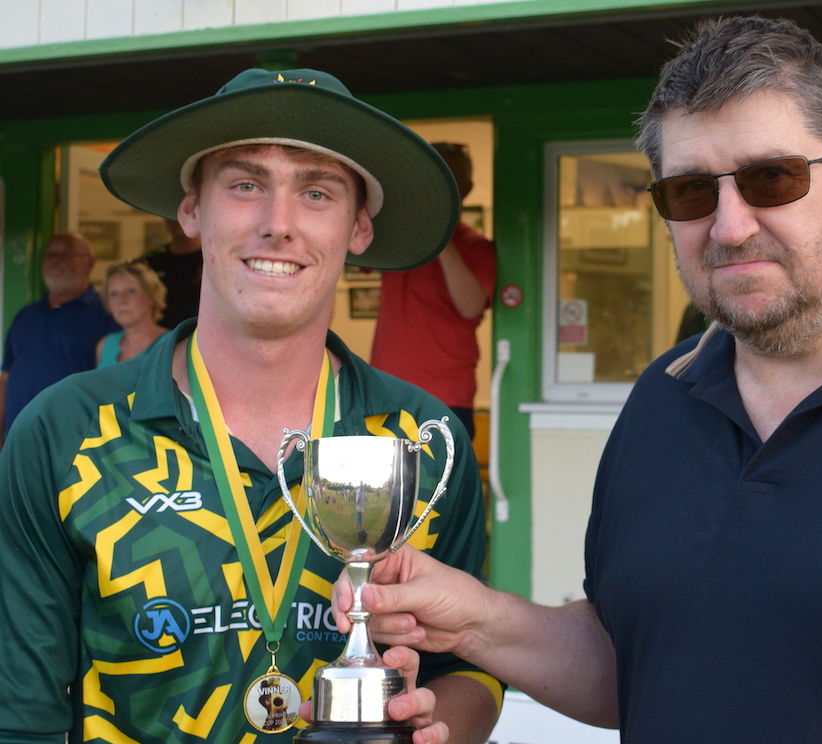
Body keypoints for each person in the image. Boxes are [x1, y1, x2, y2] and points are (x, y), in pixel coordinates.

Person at [332, 15, 822, 744]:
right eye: (690, 192)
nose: (731, 226)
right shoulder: (661, 398)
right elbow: (633, 659)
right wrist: (482, 618)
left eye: (772, 178)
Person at [0, 68, 501, 744]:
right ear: (190, 212)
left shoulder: (425, 442)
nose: (277, 224)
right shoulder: (63, 433)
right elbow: (21, 715)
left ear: (359, 229)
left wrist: (435, 724)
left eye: (316, 192)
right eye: (244, 185)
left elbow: (470, 671)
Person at [370, 142, 497, 440]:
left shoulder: (475, 246)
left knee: (442, 486)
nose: (441, 185)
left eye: (449, 176)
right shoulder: (400, 237)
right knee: (384, 487)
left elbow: (470, 306)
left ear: (466, 188)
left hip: (446, 394)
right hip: (385, 391)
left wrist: (440, 235)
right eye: (433, 175)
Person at [0, 231, 119, 439]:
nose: (56, 260)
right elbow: (6, 379)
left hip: (74, 444)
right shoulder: (26, 315)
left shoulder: (106, 314)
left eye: (66, 254)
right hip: (18, 442)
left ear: (90, 263)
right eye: (50, 254)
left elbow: (117, 386)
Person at [96, 260, 169, 366]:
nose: (121, 301)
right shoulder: (105, 346)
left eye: (131, 291)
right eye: (114, 294)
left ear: (151, 297)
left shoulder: (171, 344)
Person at [143, 218, 203, 328]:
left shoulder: (213, 260)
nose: (176, 220)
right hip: (162, 338)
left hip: (201, 336)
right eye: (170, 215)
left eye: (181, 216)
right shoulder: (151, 263)